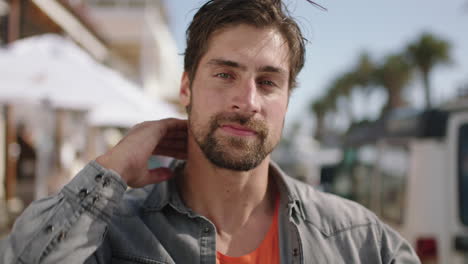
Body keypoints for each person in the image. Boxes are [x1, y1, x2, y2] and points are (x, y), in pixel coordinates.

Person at [0, 0, 421, 263]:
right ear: (186, 86)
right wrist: (110, 168)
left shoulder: (361, 242)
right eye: (224, 74)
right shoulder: (110, 232)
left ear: (287, 100)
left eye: (269, 82)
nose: (247, 101)